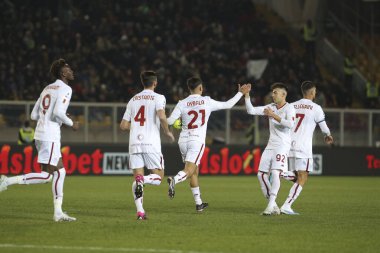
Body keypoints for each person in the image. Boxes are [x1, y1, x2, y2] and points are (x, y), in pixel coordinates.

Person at [0, 58, 79, 222]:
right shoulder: (66, 88)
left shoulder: (47, 88)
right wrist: (71, 123)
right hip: (50, 136)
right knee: (46, 176)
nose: (71, 71)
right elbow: (58, 112)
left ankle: (58, 212)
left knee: (61, 172)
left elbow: (34, 115)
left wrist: (55, 118)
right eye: (68, 69)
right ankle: (7, 180)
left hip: (42, 134)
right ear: (63, 73)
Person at [166, 77, 250, 212]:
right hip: (196, 140)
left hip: (183, 140)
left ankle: (198, 203)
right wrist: (240, 93)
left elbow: (170, 121)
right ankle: (174, 180)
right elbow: (228, 104)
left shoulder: (182, 103)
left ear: (188, 89)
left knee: (194, 171)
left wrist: (159, 117)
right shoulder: (206, 101)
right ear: (200, 88)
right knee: (189, 170)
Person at [120, 71, 175, 220]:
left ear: (143, 83)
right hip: (151, 143)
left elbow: (123, 125)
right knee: (158, 177)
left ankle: (140, 212)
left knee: (137, 177)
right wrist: (167, 132)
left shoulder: (133, 99)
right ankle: (142, 180)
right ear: (155, 83)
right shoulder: (159, 97)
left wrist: (137, 125)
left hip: (134, 143)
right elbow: (162, 115)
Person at [280, 81, 333, 215]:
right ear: (311, 92)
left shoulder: (291, 105)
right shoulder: (316, 108)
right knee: (303, 177)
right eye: (315, 91)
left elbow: (283, 123)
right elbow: (324, 127)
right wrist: (328, 135)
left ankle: (280, 174)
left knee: (298, 175)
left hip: (288, 144)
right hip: (303, 147)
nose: (315, 93)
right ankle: (286, 204)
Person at [245, 82, 295, 215]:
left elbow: (290, 124)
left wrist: (273, 115)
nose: (272, 95)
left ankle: (271, 204)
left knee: (275, 173)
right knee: (261, 174)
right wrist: (246, 95)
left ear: (283, 94)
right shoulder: (270, 107)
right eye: (272, 92)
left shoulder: (289, 108)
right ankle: (273, 205)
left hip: (282, 145)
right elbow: (251, 110)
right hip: (271, 145)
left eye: (275, 92)